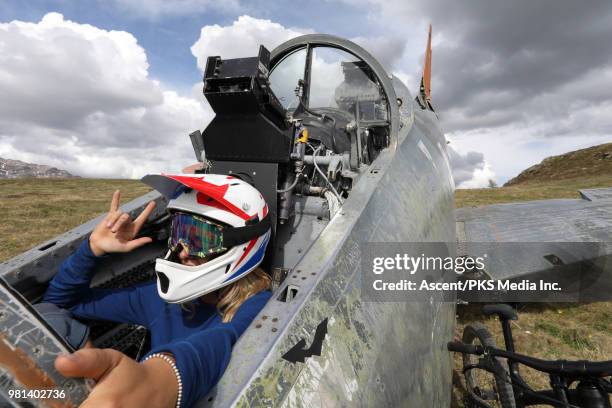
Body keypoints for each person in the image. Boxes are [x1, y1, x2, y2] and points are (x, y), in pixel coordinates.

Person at [43, 173, 273, 408]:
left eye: (201, 239)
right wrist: (93, 250)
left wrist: (156, 382)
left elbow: (223, 339)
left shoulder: (260, 304)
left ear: (243, 242)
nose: (182, 251)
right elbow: (62, 302)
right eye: (179, 234)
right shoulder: (160, 299)